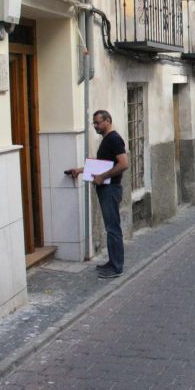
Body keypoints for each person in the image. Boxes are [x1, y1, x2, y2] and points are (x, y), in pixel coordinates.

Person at [68, 110, 129, 279]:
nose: (95, 126)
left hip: (110, 189)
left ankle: (117, 267)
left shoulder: (114, 139)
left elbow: (124, 164)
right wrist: (81, 170)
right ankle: (113, 262)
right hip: (106, 189)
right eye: (94, 123)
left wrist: (102, 177)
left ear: (108, 121)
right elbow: (103, 164)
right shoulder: (107, 140)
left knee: (113, 228)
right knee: (110, 228)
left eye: (98, 123)